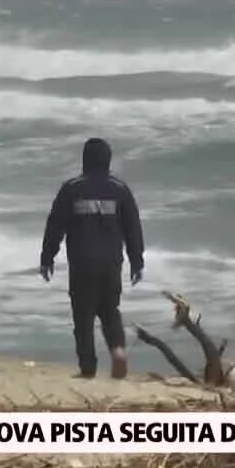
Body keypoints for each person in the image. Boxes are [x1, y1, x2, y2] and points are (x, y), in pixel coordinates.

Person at [40, 138, 144, 380]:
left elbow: (55, 226)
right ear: (108, 160)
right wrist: (136, 261)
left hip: (82, 262)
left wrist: (47, 257)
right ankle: (118, 350)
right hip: (111, 263)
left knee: (83, 316)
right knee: (110, 311)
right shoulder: (120, 189)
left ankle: (88, 368)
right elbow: (133, 228)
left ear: (85, 159)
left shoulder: (72, 188)